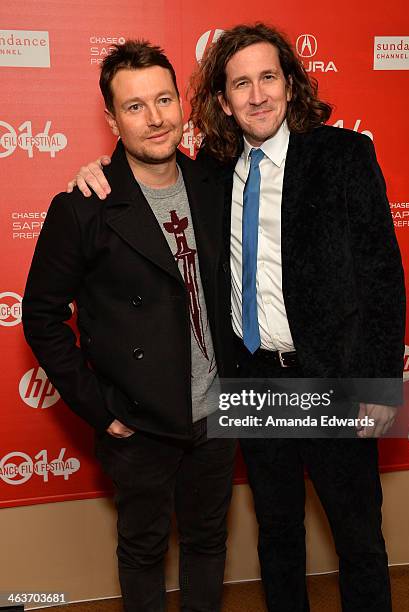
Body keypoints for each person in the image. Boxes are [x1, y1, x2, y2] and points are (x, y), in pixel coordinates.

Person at [67, 23, 406, 612]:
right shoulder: (212, 171)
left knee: (358, 539)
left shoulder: (344, 157)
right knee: (277, 533)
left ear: (290, 84)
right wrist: (95, 172)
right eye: (240, 83)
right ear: (222, 101)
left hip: (334, 381)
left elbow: (382, 277)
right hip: (252, 379)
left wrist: (379, 382)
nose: (256, 96)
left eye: (268, 77)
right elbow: (146, 177)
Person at [22, 40, 237, 612]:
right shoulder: (84, 204)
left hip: (216, 415)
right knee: (143, 551)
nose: (155, 118)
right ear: (112, 118)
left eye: (163, 99)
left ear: (182, 105)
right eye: (135, 106)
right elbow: (40, 315)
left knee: (207, 543)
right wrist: (101, 408)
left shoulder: (217, 188)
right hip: (139, 424)